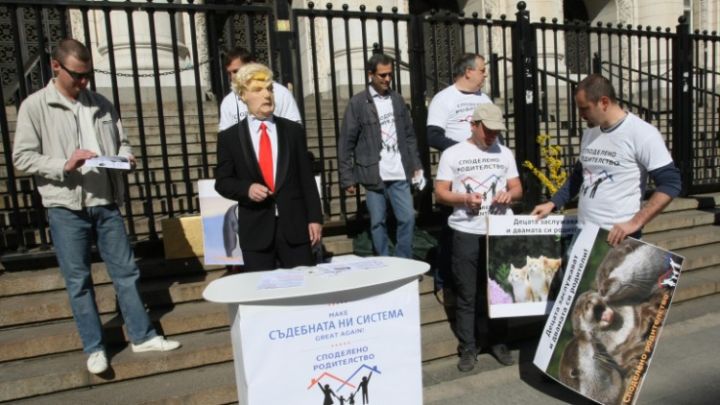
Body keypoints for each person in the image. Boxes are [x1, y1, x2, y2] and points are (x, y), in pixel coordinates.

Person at [12, 38, 181, 375]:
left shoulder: (101, 104)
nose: (83, 81)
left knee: (126, 272)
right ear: (56, 67)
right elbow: (22, 157)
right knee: (78, 281)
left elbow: (122, 141)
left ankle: (142, 335)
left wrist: (125, 157)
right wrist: (63, 163)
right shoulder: (35, 106)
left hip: (105, 202)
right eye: (77, 75)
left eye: (87, 75)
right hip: (65, 205)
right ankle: (94, 347)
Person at [531, 74, 681, 246]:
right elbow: (579, 175)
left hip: (615, 238)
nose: (580, 115)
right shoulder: (590, 133)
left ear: (604, 102)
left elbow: (671, 183)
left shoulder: (642, 133)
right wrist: (553, 203)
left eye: (585, 109)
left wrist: (635, 223)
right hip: (583, 232)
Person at [434, 103, 522, 371]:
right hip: (466, 231)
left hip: (498, 230)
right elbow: (440, 193)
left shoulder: (504, 153)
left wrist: (509, 195)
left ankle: (498, 342)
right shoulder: (452, 154)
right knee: (466, 292)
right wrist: (464, 199)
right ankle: (468, 347)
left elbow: (517, 188)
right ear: (473, 125)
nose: (493, 135)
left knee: (499, 291)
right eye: (488, 130)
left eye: (497, 131)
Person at [214, 63, 322, 271]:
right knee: (260, 287)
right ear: (243, 95)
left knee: (303, 284)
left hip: (296, 228)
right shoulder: (229, 138)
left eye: (270, 89)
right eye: (257, 90)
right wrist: (246, 189)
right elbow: (223, 181)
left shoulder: (293, 131)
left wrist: (315, 219)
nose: (267, 95)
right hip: (256, 231)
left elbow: (306, 178)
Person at [338, 53, 423, 258]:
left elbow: (409, 136)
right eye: (382, 75)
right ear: (370, 74)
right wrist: (347, 177)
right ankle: (384, 260)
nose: (387, 79)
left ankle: (403, 262)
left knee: (408, 218)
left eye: (390, 75)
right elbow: (346, 142)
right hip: (373, 173)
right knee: (377, 222)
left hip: (399, 171)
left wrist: (416, 165)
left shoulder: (397, 100)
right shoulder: (358, 103)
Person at [426, 53, 493, 303]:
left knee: (481, 231)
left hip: (484, 176)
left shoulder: (484, 99)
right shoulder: (444, 98)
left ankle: (478, 285)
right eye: (482, 70)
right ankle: (443, 283)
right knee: (451, 232)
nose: (485, 74)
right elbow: (433, 135)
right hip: (456, 178)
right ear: (468, 72)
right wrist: (464, 150)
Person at [218, 46, 302, 131]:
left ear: (251, 65)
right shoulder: (228, 102)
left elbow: (294, 127)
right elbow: (225, 133)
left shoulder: (281, 93)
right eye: (229, 73)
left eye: (236, 71)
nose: (232, 76)